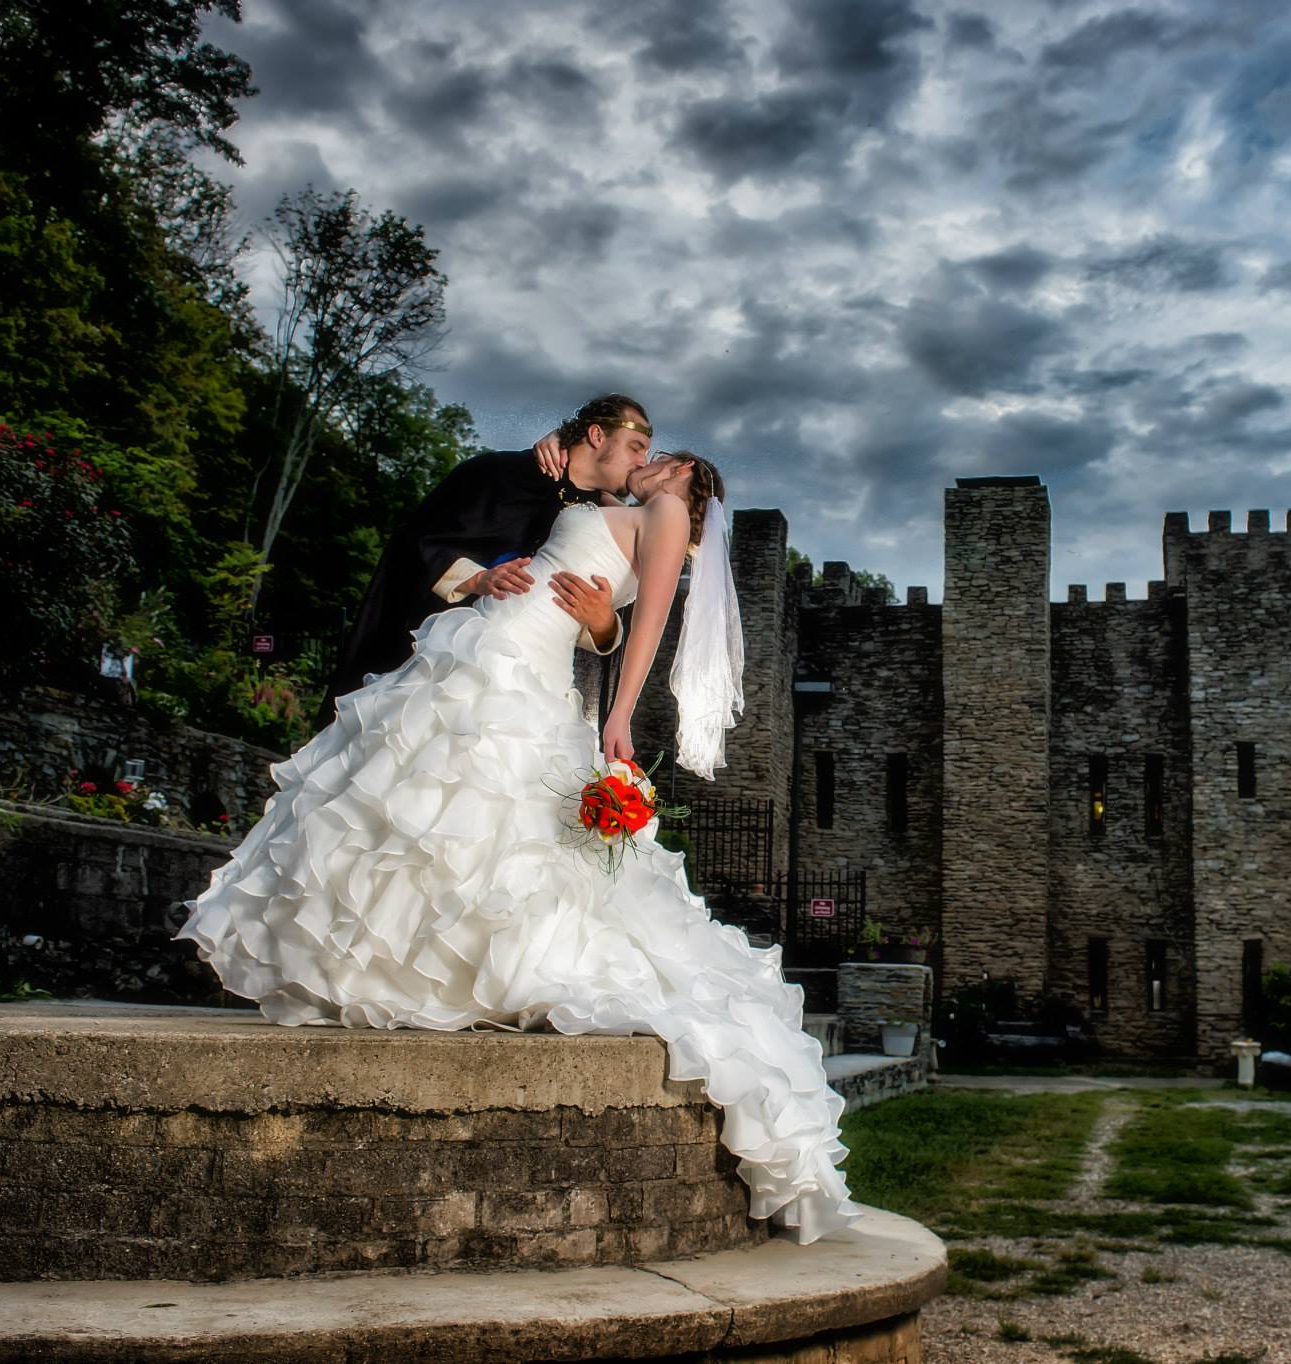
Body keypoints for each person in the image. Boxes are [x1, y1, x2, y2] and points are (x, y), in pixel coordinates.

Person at [179, 452, 860, 1245]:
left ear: (688, 480)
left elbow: (644, 629)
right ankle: (393, 965)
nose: (649, 462)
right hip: (483, 643)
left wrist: (620, 717)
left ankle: (452, 967)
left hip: (519, 663)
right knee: (419, 814)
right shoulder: (605, 499)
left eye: (664, 458)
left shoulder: (669, 512)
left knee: (464, 817)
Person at [317, 393, 651, 724]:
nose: (642, 462)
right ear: (596, 435)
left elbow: (570, 606)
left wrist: (603, 623)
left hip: (522, 692)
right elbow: (414, 542)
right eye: (635, 447)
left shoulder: (601, 519)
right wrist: (477, 578)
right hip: (434, 669)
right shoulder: (496, 473)